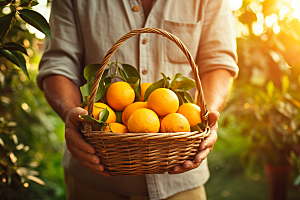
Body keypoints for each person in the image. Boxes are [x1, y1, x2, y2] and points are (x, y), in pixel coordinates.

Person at [37, 0, 238, 199]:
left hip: (181, 175)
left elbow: (218, 62)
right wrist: (73, 114)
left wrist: (206, 117)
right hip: (95, 172)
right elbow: (58, 65)